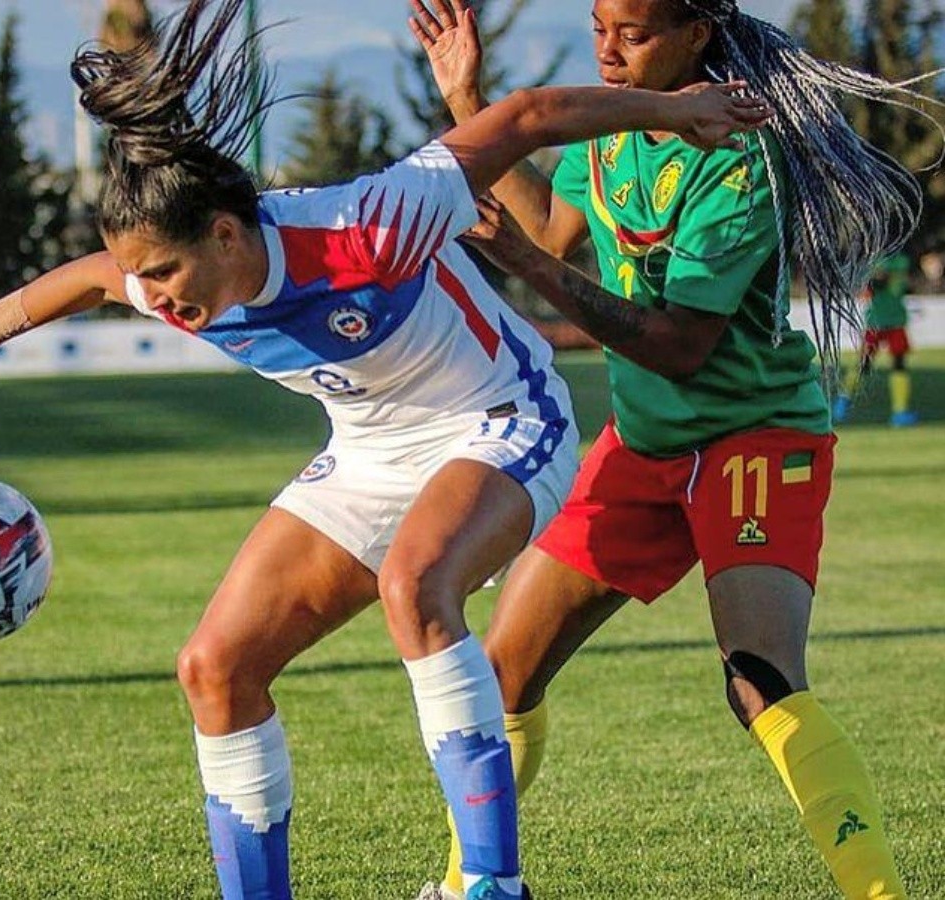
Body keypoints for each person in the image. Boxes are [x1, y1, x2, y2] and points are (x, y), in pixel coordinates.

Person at [0, 3, 767, 898]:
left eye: (166, 278)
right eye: (148, 283)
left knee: (415, 585)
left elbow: (526, 121)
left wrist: (678, 112)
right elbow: (93, 280)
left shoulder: (367, 226)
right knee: (215, 668)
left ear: (225, 235)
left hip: (501, 419)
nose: (157, 301)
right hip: (371, 453)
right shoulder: (167, 272)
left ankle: (491, 887)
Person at [409, 0, 931, 898]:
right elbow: (551, 232)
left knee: (759, 680)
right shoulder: (611, 131)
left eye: (634, 33)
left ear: (697, 35)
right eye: (599, 27)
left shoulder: (738, 152)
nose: (607, 53)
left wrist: (536, 276)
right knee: (499, 676)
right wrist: (468, 98)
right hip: (644, 445)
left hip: (753, 442)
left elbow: (676, 344)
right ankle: (469, 887)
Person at [833, 252, 918, 427]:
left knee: (897, 364)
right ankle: (843, 401)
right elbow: (871, 286)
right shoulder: (881, 260)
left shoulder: (899, 260)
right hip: (879, 321)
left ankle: (899, 412)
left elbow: (902, 287)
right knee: (866, 363)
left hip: (892, 320)